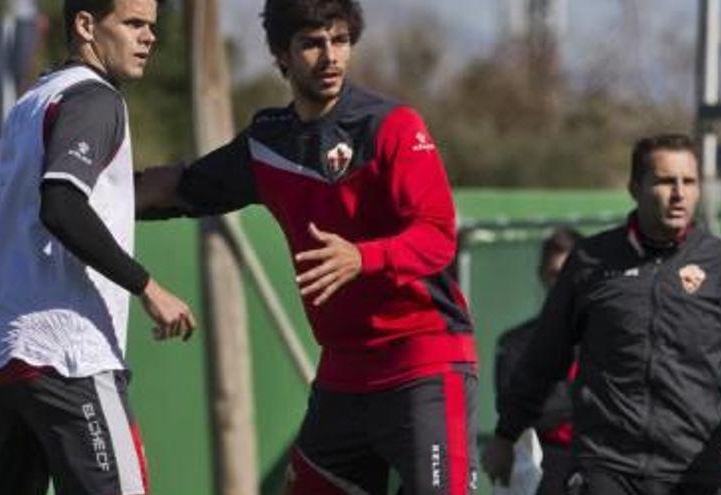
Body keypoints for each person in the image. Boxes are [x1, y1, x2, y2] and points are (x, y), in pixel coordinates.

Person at [136, 0, 478, 493]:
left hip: (422, 363)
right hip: (342, 372)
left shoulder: (394, 127)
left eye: (339, 41)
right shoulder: (269, 141)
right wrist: (91, 193)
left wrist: (363, 257)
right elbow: (183, 186)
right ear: (281, 54)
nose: (330, 57)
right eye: (313, 44)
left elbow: (437, 235)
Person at [483, 133, 721, 495]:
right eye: (666, 181)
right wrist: (506, 435)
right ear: (635, 188)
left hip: (693, 471)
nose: (679, 193)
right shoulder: (591, 262)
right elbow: (543, 359)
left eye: (689, 181)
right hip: (607, 467)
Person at [0, 1, 196, 494]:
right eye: (133, 24)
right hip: (68, 353)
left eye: (152, 26)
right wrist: (147, 285)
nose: (149, 37)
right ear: (86, 25)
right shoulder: (97, 98)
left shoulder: (32, 101)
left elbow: (65, 200)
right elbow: (62, 206)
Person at [483, 227, 582, 495]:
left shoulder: (603, 339)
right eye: (554, 275)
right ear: (541, 275)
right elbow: (516, 407)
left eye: (568, 275)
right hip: (547, 460)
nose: (560, 284)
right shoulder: (516, 343)